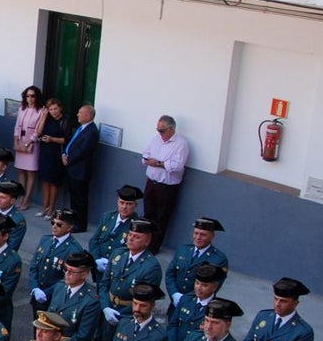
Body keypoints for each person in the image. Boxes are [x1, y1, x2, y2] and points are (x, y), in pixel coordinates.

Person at [99, 217, 163, 341]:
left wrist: (120, 314)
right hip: (108, 307)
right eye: (130, 235)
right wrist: (106, 307)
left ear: (147, 241)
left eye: (137, 237)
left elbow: (146, 300)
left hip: (128, 314)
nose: (131, 238)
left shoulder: (151, 266)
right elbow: (104, 284)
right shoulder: (118, 254)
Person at [141, 115, 189, 254]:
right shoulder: (156, 139)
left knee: (161, 217)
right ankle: (144, 242)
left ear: (171, 129)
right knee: (148, 214)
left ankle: (153, 246)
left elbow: (177, 166)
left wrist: (159, 163)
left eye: (162, 131)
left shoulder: (181, 144)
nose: (159, 133)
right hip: (151, 182)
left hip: (167, 187)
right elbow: (145, 154)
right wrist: (152, 161)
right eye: (158, 130)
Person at [27, 209, 84, 313]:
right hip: (37, 296)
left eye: (59, 224)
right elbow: (34, 265)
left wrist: (47, 293)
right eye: (53, 223)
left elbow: (68, 278)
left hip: (56, 298)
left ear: (69, 227)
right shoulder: (45, 240)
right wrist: (35, 288)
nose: (54, 226)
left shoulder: (74, 250)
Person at [166, 218, 230, 309]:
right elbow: (170, 273)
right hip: (175, 303)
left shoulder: (219, 259)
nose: (198, 237)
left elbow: (212, 286)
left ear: (212, 236)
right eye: (196, 233)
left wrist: (185, 299)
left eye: (203, 235)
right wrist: (174, 294)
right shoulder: (183, 250)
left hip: (197, 307)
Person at [89, 185, 144, 274]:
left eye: (128, 204)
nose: (124, 207)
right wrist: (96, 259)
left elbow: (134, 251)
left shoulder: (137, 225)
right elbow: (94, 240)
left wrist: (112, 264)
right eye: (121, 203)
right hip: (99, 266)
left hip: (119, 270)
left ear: (135, 205)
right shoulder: (107, 217)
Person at [62, 104, 99, 232]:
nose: (77, 115)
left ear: (88, 116)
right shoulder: (81, 128)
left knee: (80, 199)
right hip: (73, 169)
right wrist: (64, 154)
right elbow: (72, 144)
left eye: (80, 112)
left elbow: (83, 151)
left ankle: (80, 224)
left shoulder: (92, 131)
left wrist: (69, 160)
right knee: (74, 197)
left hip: (80, 171)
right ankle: (73, 221)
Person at [34, 97, 69, 219]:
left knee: (53, 182)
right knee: (45, 180)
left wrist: (52, 139)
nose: (53, 111)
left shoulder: (64, 121)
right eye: (50, 109)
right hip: (45, 152)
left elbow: (66, 139)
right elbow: (38, 131)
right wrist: (43, 116)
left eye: (55, 109)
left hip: (56, 154)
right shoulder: (47, 119)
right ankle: (44, 207)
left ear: (60, 108)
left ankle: (52, 208)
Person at [13, 86, 44, 209]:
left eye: (33, 96)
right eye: (28, 96)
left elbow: (38, 130)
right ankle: (20, 195)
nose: (30, 99)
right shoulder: (22, 109)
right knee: (21, 170)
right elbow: (17, 126)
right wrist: (16, 141)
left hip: (32, 144)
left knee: (30, 172)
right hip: (21, 141)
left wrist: (30, 142)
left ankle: (27, 199)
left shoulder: (40, 111)